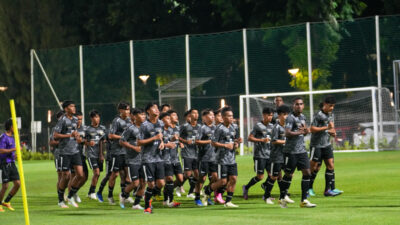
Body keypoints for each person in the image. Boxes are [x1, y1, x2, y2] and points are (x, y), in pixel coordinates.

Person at [280, 97, 316, 208]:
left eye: (301, 104)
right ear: (293, 106)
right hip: (291, 151)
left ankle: (304, 200)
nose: (299, 106)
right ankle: (282, 197)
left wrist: (305, 131)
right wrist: (299, 132)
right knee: (288, 175)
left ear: (303, 105)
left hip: (301, 151)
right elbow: (287, 133)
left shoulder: (303, 117)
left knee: (307, 173)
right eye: (297, 104)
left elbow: (303, 133)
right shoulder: (290, 118)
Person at [204, 106, 241, 208]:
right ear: (224, 117)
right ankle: (207, 190)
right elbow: (213, 143)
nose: (231, 118)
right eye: (229, 116)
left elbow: (235, 140)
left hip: (232, 158)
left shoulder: (235, 127)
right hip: (221, 159)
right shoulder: (219, 128)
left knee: (233, 179)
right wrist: (225, 145)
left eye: (232, 116)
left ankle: (228, 202)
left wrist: (237, 143)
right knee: (223, 181)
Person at [309, 96, 343, 197]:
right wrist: (326, 128)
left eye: (333, 106)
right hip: (316, 145)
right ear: (325, 104)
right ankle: (309, 188)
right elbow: (312, 129)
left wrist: (333, 132)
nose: (332, 108)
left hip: (326, 144)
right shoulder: (318, 115)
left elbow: (331, 128)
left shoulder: (330, 115)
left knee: (330, 165)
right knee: (314, 167)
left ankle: (328, 190)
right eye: (330, 106)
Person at [54, 100, 85, 208]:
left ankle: (70, 196)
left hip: (75, 150)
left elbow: (74, 133)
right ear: (66, 108)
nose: (74, 108)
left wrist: (78, 137)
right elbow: (56, 135)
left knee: (80, 175)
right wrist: (69, 136)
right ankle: (60, 200)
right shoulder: (62, 120)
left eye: (74, 106)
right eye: (72, 106)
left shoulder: (76, 119)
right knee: (66, 176)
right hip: (64, 152)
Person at [138, 103, 165, 214]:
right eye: (154, 108)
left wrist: (162, 142)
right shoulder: (144, 125)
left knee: (161, 183)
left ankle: (148, 196)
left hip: (158, 157)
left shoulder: (161, 123)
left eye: (157, 108)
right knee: (151, 184)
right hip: (147, 158)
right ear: (148, 111)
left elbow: (161, 137)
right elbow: (139, 142)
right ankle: (147, 207)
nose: (157, 110)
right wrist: (154, 138)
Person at [261, 105, 291, 207]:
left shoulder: (287, 127)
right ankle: (266, 196)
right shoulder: (276, 127)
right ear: (279, 116)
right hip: (276, 156)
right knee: (273, 177)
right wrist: (285, 142)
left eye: (287, 114)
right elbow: (273, 141)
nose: (286, 116)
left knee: (289, 174)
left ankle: (284, 195)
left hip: (285, 155)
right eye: (284, 114)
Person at [243, 107, 274, 201]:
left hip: (270, 155)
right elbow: (249, 138)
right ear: (264, 115)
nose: (270, 117)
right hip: (259, 155)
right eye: (269, 115)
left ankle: (266, 194)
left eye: (271, 115)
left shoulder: (272, 126)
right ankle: (246, 187)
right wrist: (261, 140)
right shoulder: (258, 126)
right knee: (260, 177)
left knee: (272, 175)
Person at [119, 108, 147, 209]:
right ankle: (123, 195)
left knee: (144, 183)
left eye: (144, 115)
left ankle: (136, 204)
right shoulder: (131, 128)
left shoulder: (146, 128)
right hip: (132, 160)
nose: (144, 117)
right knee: (135, 183)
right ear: (135, 117)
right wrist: (133, 147)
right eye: (141, 115)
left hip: (144, 160)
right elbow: (121, 141)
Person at [108, 102, 132, 205]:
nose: (127, 111)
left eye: (128, 109)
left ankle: (124, 195)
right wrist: (123, 137)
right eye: (126, 109)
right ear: (120, 110)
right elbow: (111, 136)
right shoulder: (116, 121)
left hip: (126, 151)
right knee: (115, 174)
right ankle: (110, 195)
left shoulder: (130, 121)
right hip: (117, 151)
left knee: (126, 175)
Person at [195, 109, 217, 206]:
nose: (213, 117)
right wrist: (208, 142)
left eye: (213, 115)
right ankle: (197, 198)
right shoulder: (202, 128)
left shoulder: (216, 128)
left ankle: (207, 193)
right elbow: (197, 141)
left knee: (215, 178)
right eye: (211, 115)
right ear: (205, 117)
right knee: (202, 179)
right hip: (204, 158)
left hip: (214, 158)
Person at [159, 112, 181, 207]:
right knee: (168, 179)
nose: (169, 120)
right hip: (164, 159)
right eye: (167, 118)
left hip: (174, 159)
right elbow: (158, 144)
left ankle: (167, 193)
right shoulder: (159, 131)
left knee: (180, 179)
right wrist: (167, 144)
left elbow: (171, 140)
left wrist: (176, 141)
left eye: (169, 118)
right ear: (162, 120)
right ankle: (168, 200)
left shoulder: (172, 130)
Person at [179, 109, 201, 200]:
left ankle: (191, 192)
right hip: (186, 153)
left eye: (197, 113)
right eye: (193, 113)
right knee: (187, 174)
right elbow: (177, 137)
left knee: (197, 175)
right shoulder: (184, 126)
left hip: (196, 153)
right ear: (190, 115)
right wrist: (184, 141)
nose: (195, 115)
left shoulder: (200, 127)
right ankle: (178, 185)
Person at [85, 110, 106, 200]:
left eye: (98, 117)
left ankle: (90, 192)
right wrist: (89, 143)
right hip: (91, 154)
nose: (97, 119)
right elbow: (83, 141)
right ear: (91, 118)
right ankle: (93, 192)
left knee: (98, 174)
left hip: (99, 155)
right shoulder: (88, 129)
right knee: (96, 172)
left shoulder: (103, 128)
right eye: (95, 117)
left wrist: (102, 154)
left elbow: (103, 141)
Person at [0, 119, 20, 212]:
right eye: (15, 125)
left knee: (17, 183)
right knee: (5, 186)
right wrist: (14, 149)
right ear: (11, 127)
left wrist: (15, 155)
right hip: (4, 163)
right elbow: (1, 150)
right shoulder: (3, 137)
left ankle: (7, 201)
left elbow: (11, 150)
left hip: (12, 162)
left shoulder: (13, 137)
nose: (17, 127)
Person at [167, 110, 185, 198]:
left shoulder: (178, 128)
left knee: (181, 179)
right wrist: (171, 139)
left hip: (176, 158)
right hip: (167, 159)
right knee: (169, 179)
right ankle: (167, 196)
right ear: (169, 117)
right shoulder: (166, 128)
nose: (176, 117)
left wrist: (180, 143)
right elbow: (163, 141)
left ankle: (167, 190)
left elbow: (178, 139)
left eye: (176, 115)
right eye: (174, 115)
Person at [49, 111, 64, 199]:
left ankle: (65, 193)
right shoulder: (55, 129)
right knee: (60, 175)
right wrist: (60, 142)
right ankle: (60, 195)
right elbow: (51, 142)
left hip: (68, 154)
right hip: (58, 154)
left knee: (67, 175)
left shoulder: (68, 128)